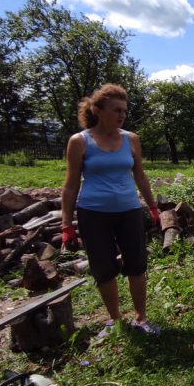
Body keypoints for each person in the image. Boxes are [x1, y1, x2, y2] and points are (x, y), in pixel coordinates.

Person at [61, 83, 161, 336]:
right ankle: (115, 319)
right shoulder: (80, 141)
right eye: (116, 109)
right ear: (98, 109)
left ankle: (141, 318)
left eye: (124, 111)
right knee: (104, 268)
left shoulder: (131, 140)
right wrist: (66, 225)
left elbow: (140, 175)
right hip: (93, 214)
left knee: (136, 264)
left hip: (129, 211)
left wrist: (152, 207)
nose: (121, 115)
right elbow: (71, 185)